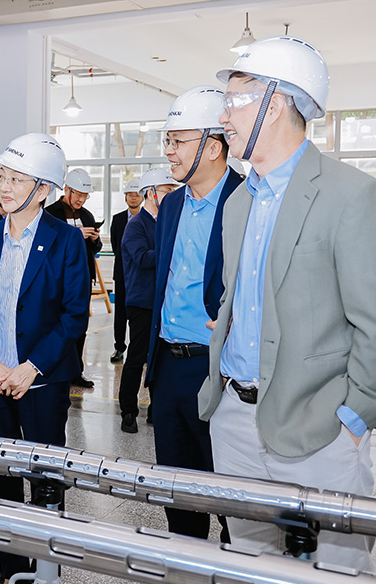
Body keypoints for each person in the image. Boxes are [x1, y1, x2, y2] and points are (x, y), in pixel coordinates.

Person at [201, 35, 376, 571]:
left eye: (235, 100)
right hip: (235, 421)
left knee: (336, 570)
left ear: (276, 103)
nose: (223, 116)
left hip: (320, 428)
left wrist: (355, 416)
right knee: (249, 564)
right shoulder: (239, 202)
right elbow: (236, 297)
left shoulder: (351, 195)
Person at [0, 133, 89, 584]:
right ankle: (11, 571)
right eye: (2, 177)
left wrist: (32, 367)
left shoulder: (66, 240)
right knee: (2, 478)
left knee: (46, 479)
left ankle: (46, 570)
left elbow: (74, 315)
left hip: (42, 382)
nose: (4, 187)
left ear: (43, 189)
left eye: (17, 179)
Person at [145, 85, 241, 541]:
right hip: (167, 366)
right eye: (168, 141)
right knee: (177, 491)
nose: (169, 151)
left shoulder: (247, 199)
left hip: (217, 368)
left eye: (178, 141)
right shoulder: (171, 205)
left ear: (214, 146)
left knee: (229, 496)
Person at [117, 168, 177, 433]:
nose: (172, 195)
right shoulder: (136, 225)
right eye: (167, 190)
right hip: (142, 302)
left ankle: (156, 408)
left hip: (163, 301)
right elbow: (142, 258)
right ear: (151, 193)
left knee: (160, 359)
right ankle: (128, 410)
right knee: (137, 356)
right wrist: (172, 249)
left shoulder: (166, 221)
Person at [45, 167, 101, 388]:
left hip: (82, 279)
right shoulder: (50, 214)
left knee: (79, 326)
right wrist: (76, 234)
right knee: (56, 325)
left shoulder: (87, 215)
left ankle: (76, 371)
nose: (81, 200)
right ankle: (53, 368)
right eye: (78, 194)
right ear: (67, 190)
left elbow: (95, 248)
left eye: (85, 196)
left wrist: (94, 239)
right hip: (56, 280)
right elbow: (48, 245)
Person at [108, 176, 145, 364]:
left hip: (142, 275)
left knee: (140, 314)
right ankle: (119, 347)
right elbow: (117, 246)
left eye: (136, 194)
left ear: (143, 197)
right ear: (125, 197)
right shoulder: (118, 220)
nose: (133, 197)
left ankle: (141, 351)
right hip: (122, 274)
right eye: (130, 194)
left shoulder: (148, 219)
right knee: (120, 313)